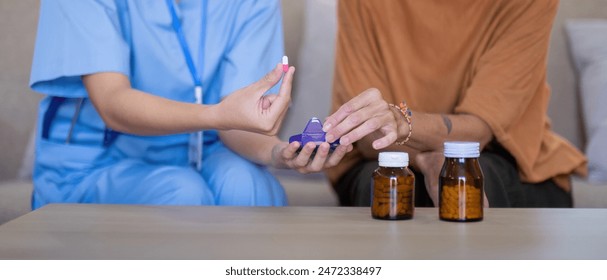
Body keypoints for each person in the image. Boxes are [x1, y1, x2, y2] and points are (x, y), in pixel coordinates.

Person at [29, 0, 352, 210]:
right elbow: (112, 104)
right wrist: (216, 115)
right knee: (181, 195)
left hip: (208, 153)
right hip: (98, 163)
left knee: (251, 191)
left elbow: (239, 121)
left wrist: (276, 152)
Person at [322, 0, 587, 207]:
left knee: (468, 181)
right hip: (382, 158)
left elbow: (480, 130)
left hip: (502, 158)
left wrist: (406, 124)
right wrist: (427, 161)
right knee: (390, 185)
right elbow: (367, 133)